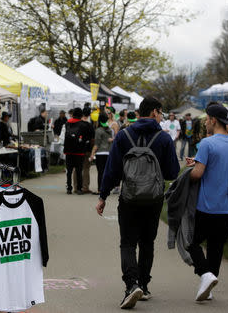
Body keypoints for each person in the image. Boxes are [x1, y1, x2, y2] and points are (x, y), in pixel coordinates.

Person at [96, 97, 179, 309]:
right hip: (154, 199)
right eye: (160, 113)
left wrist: (103, 196)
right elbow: (172, 172)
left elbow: (112, 170)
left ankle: (131, 285)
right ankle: (144, 284)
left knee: (127, 242)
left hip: (129, 198)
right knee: (147, 242)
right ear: (153, 113)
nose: (161, 117)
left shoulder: (123, 135)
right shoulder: (164, 138)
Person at [186, 104, 228, 302]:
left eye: (207, 120)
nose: (206, 123)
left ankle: (205, 275)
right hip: (227, 207)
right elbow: (221, 168)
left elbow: (198, 174)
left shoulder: (207, 144)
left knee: (190, 242)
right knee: (216, 248)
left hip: (207, 206)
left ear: (213, 120)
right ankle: (209, 289)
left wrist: (187, 174)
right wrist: (199, 161)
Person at [63, 108, 89, 195]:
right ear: (81, 115)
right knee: (78, 170)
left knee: (69, 171)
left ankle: (69, 188)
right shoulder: (83, 125)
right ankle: (79, 189)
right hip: (79, 151)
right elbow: (86, 138)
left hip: (68, 150)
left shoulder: (67, 123)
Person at [90, 113, 113, 195]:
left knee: (100, 172)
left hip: (100, 153)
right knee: (106, 172)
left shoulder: (98, 130)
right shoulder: (109, 130)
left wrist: (92, 154)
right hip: (108, 152)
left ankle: (100, 189)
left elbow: (96, 144)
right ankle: (107, 188)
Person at [74, 107, 95, 193]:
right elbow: (93, 139)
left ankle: (76, 187)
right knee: (86, 168)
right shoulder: (90, 125)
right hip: (87, 149)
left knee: (77, 168)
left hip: (76, 149)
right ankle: (85, 187)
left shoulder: (76, 124)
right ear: (89, 114)